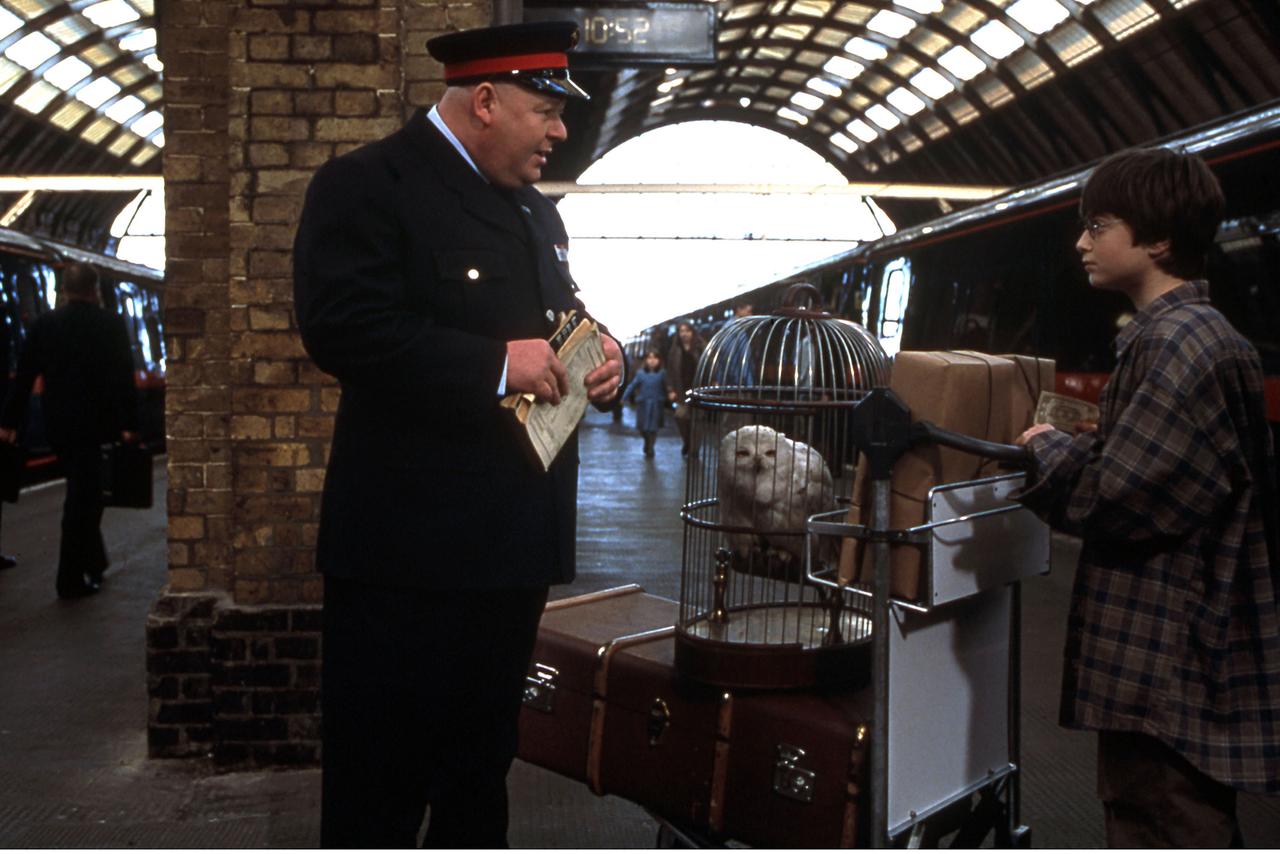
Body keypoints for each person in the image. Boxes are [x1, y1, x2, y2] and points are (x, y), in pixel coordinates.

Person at [292, 21, 625, 848]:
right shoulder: (369, 185)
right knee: (382, 787)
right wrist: (491, 365)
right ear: (484, 101)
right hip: (406, 563)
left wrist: (598, 352)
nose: (559, 131)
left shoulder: (537, 216)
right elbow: (341, 328)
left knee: (479, 775)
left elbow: (553, 323)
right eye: (546, 110)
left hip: (509, 556)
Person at [1014, 147, 1280, 846]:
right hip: (1179, 651)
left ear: (1157, 239)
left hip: (1166, 656)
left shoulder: (1175, 343)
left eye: (1097, 225)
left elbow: (1113, 498)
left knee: (1160, 817)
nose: (1081, 242)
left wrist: (1044, 445)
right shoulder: (1190, 337)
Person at [0, 262, 138, 598]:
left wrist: (9, 422)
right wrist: (130, 426)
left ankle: (94, 563)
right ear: (96, 290)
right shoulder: (110, 324)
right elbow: (123, 378)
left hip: (58, 426)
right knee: (83, 499)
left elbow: (25, 376)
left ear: (63, 290)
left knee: (83, 491)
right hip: (98, 426)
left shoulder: (44, 325)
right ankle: (69, 580)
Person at [665, 320, 705, 456]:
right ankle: (687, 441)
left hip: (698, 390)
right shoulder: (675, 350)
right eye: (682, 331)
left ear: (692, 332)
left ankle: (694, 450)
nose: (684, 334)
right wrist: (670, 389)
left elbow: (708, 366)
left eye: (687, 331)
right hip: (681, 389)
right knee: (681, 417)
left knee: (697, 421)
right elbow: (670, 371)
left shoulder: (700, 347)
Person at [624, 350, 667, 457]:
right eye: (649, 358)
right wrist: (623, 397)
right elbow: (632, 386)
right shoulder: (640, 374)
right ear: (646, 360)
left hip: (657, 404)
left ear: (659, 360)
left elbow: (667, 386)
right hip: (643, 405)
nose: (652, 361)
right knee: (642, 427)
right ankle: (647, 442)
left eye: (655, 358)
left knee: (653, 428)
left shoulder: (662, 374)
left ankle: (651, 446)